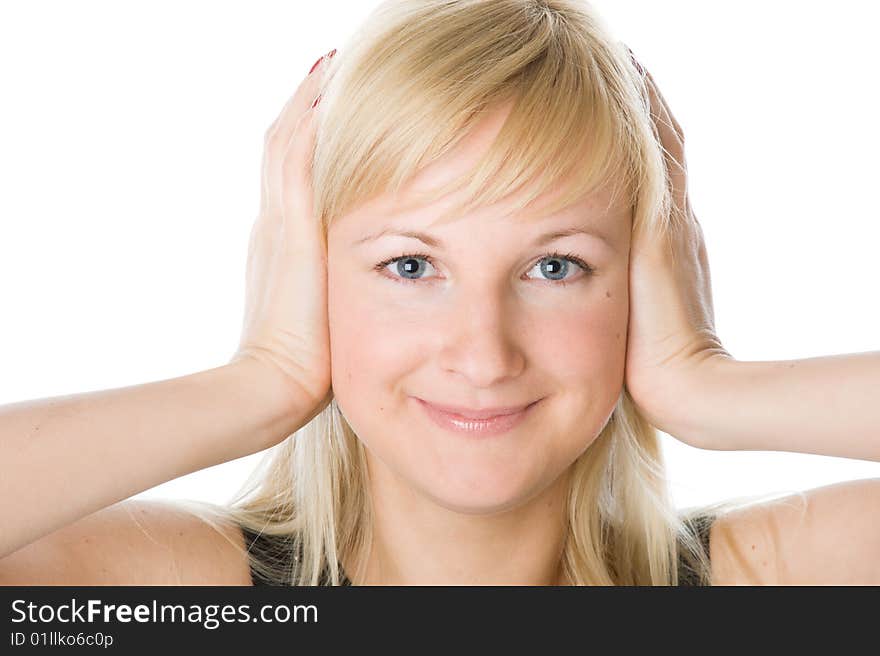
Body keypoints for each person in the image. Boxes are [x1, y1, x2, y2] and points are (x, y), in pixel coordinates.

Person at [1, 0, 878, 587]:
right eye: (412, 267)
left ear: (642, 288)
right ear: (309, 278)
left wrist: (704, 386)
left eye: (555, 266)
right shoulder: (178, 590)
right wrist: (261, 377)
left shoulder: (774, 578)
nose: (483, 355)